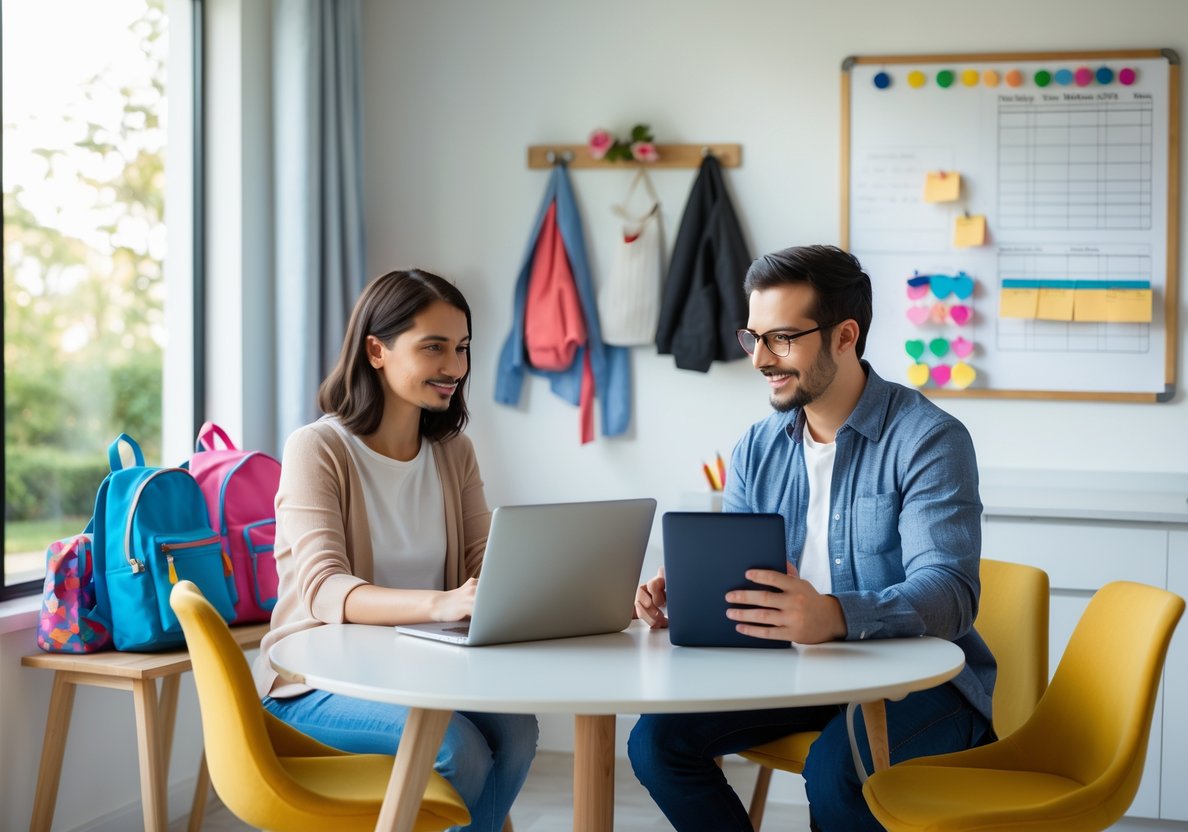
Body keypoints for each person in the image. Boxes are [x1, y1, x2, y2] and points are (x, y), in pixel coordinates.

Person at [629, 245, 996, 832]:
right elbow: (744, 577)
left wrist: (831, 615)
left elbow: (950, 594)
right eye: (754, 338)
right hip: (799, 672)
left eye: (782, 338)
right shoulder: (758, 444)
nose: (760, 361)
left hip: (918, 681)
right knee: (655, 742)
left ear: (845, 335)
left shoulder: (929, 440)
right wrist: (695, 599)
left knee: (833, 772)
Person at [252, 269, 538, 832]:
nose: (455, 367)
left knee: (518, 730)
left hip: (421, 672)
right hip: (316, 684)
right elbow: (322, 589)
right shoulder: (318, 449)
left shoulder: (453, 451)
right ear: (376, 351)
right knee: (460, 749)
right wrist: (441, 603)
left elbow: (486, 563)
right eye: (434, 347)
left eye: (461, 348)